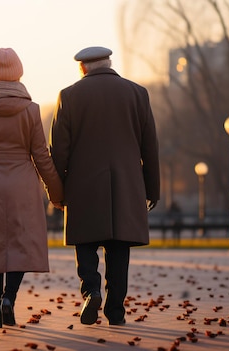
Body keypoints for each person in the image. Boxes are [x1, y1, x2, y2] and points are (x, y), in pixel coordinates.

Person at [50, 46, 160, 326]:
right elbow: (150, 147)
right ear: (109, 63)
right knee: (119, 250)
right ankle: (116, 311)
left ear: (82, 67)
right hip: (127, 185)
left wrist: (58, 190)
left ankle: (91, 290)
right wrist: (152, 189)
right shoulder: (137, 93)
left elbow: (59, 151)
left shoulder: (69, 95)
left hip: (84, 186)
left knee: (85, 245)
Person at [0, 48, 64, 328]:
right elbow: (41, 154)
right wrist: (56, 192)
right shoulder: (31, 110)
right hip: (22, 182)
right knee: (20, 243)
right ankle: (9, 298)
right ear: (19, 71)